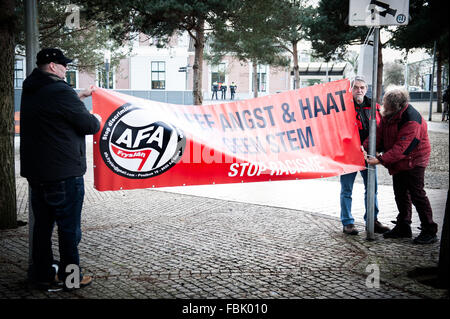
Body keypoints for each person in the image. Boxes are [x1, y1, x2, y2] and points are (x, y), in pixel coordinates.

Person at [20, 48, 101, 290]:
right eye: (63, 65)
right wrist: (95, 116)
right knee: (69, 230)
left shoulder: (31, 87)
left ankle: (43, 274)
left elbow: (54, 107)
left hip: (38, 173)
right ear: (53, 66)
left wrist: (79, 96)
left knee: (42, 228)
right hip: (63, 174)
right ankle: (71, 279)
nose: (66, 69)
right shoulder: (60, 90)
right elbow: (89, 125)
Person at [365, 87, 438, 244]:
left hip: (414, 160)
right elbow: (379, 134)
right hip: (399, 160)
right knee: (400, 193)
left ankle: (429, 230)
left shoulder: (412, 119)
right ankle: (404, 226)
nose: (383, 106)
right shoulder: (388, 114)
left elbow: (402, 148)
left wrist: (380, 159)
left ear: (396, 106)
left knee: (417, 194)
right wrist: (365, 147)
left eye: (386, 104)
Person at [340, 76, 390, 235]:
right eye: (356, 87)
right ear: (351, 89)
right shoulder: (344, 107)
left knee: (372, 189)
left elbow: (381, 131)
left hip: (369, 155)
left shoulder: (375, 108)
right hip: (349, 155)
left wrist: (378, 149)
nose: (359, 90)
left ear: (366, 89)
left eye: (362, 87)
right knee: (346, 189)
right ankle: (347, 222)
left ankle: (372, 220)